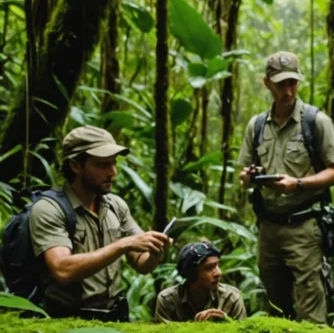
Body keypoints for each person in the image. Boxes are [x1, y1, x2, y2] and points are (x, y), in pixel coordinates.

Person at [237, 51, 334, 325]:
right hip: (268, 229)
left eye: (292, 83)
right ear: (267, 83)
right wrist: (250, 177)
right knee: (276, 311)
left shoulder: (315, 122)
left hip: (304, 227)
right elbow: (243, 175)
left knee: (311, 312)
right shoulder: (257, 125)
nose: (287, 91)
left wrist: (297, 183)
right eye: (281, 84)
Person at [30, 126, 172, 319]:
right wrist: (123, 244)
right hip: (67, 321)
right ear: (76, 166)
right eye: (102, 165)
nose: (113, 172)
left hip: (114, 319)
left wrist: (156, 250)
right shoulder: (49, 209)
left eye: (114, 163)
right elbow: (63, 269)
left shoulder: (116, 206)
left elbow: (142, 264)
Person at [154, 242, 247, 322]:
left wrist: (225, 321)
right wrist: (198, 328)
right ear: (191, 274)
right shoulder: (168, 300)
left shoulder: (231, 298)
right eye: (209, 268)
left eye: (218, 265)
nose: (218, 273)